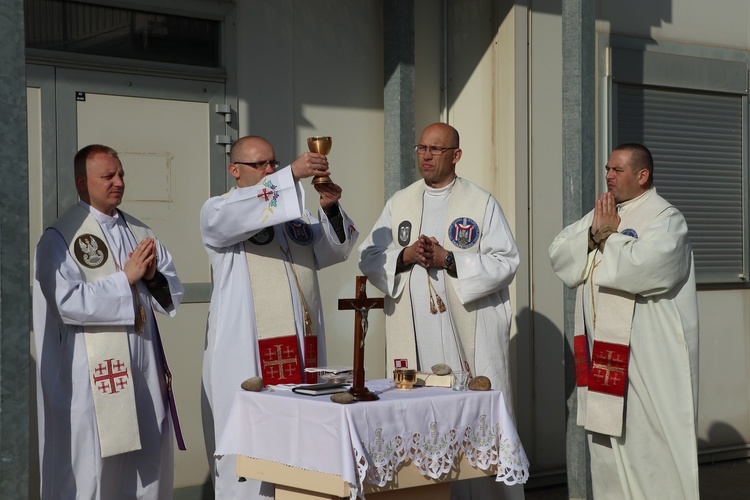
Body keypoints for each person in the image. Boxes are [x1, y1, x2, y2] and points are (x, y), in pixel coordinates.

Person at [358, 122, 523, 499]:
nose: (426, 156)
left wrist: (452, 260)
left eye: (435, 149)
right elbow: (368, 254)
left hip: (464, 336)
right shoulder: (400, 202)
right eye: (421, 148)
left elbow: (507, 261)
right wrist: (405, 255)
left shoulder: (480, 203)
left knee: (475, 427)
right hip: (414, 335)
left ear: (456, 156)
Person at [200, 135, 358, 499]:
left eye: (274, 163)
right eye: (261, 165)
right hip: (247, 356)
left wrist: (331, 208)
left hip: (301, 354)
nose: (270, 170)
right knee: (250, 455)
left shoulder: (292, 217)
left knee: (301, 449)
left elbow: (334, 249)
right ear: (234, 170)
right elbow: (250, 210)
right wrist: (292, 175)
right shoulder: (219, 211)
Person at [33, 144, 185, 499]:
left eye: (121, 175)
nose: (118, 182)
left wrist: (151, 278)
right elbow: (65, 302)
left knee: (145, 463)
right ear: (82, 182)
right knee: (94, 470)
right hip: (92, 376)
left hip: (144, 370)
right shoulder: (60, 239)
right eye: (108, 176)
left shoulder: (139, 230)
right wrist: (125, 279)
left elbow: (171, 290)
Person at [548, 143, 700, 499]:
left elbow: (648, 270)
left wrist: (607, 238)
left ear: (642, 175)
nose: (608, 176)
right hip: (605, 356)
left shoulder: (666, 218)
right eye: (607, 169)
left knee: (648, 449)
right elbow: (560, 253)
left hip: (647, 360)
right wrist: (593, 235)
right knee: (606, 453)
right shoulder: (603, 213)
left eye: (617, 170)